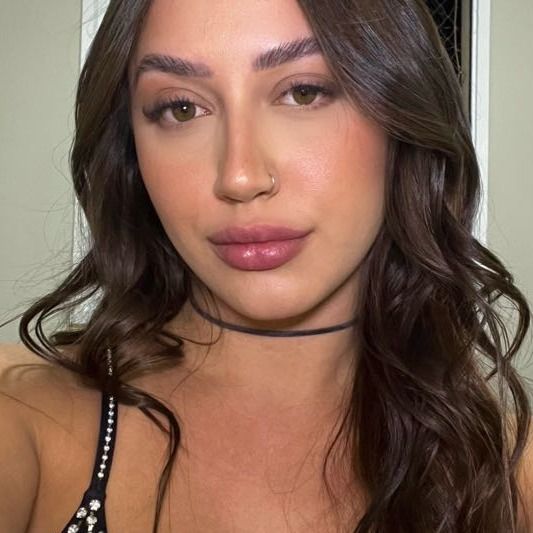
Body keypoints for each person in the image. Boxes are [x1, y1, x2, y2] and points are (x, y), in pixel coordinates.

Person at [1, 0, 532, 531]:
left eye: (303, 93)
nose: (240, 176)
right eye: (181, 108)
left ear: (402, 116)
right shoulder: (23, 417)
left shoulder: (512, 480)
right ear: (131, 150)